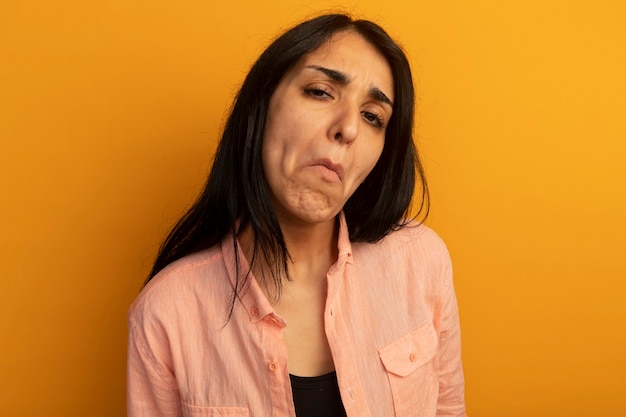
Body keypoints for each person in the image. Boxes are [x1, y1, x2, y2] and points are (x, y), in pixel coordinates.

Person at [127, 13, 467, 417]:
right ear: (261, 106)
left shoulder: (422, 263)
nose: (348, 128)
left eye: (372, 116)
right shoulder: (165, 314)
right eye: (321, 92)